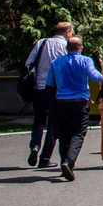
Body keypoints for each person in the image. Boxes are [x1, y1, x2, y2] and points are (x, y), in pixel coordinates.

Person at [47, 36, 103, 181]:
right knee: (78, 133)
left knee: (64, 135)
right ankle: (69, 162)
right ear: (81, 48)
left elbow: (50, 83)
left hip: (61, 102)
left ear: (67, 48)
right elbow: (96, 77)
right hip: (80, 101)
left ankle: (63, 164)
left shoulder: (56, 62)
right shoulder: (86, 61)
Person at [26, 22, 72, 168]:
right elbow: (69, 66)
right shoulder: (66, 46)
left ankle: (35, 146)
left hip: (39, 88)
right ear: (67, 32)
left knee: (39, 120)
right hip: (57, 91)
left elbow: (29, 63)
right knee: (53, 125)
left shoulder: (42, 42)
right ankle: (45, 158)